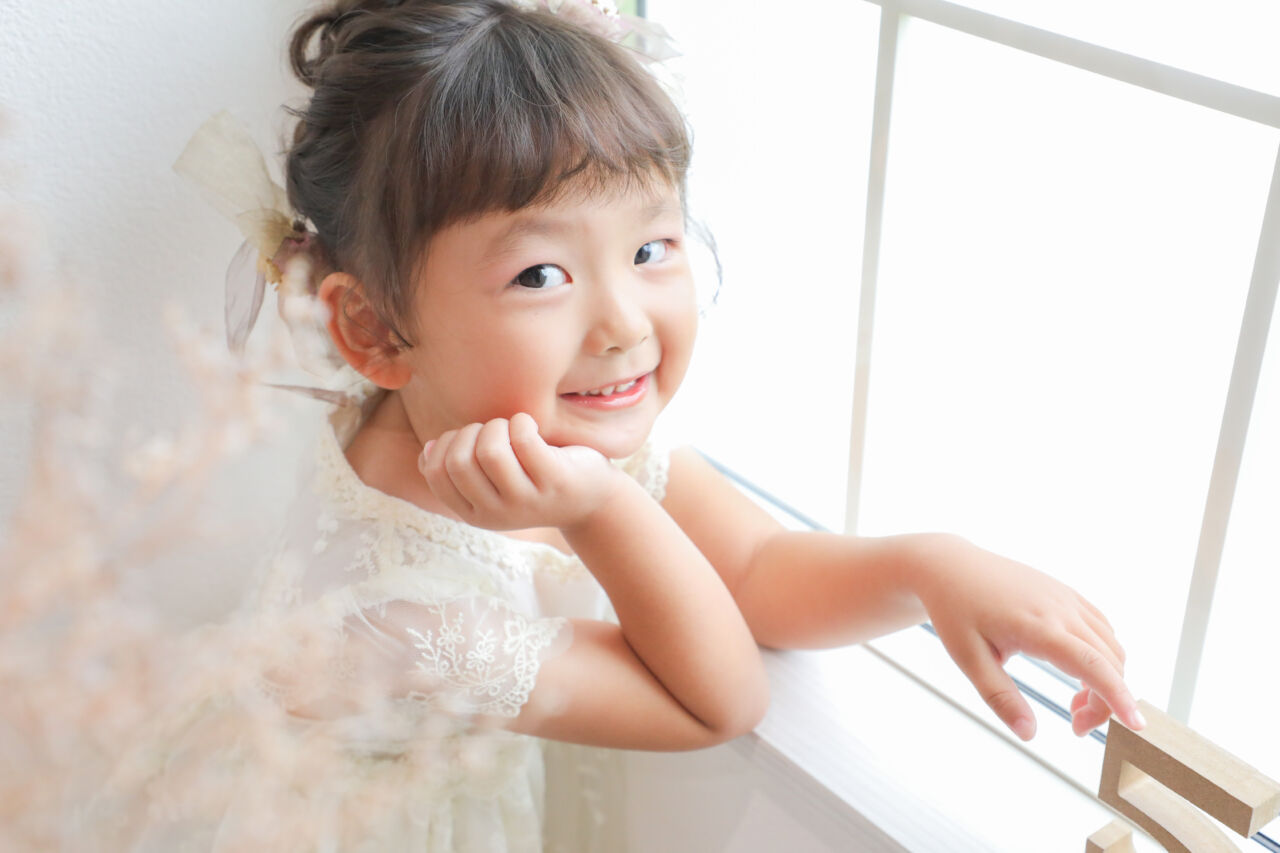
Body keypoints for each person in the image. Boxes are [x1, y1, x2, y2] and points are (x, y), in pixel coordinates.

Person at [94, 0, 1144, 849]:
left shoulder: (523, 415)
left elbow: (756, 571)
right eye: (540, 273)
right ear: (374, 330)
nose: (625, 324)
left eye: (651, 249)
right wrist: (598, 511)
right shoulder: (398, 614)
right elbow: (717, 702)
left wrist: (928, 568)